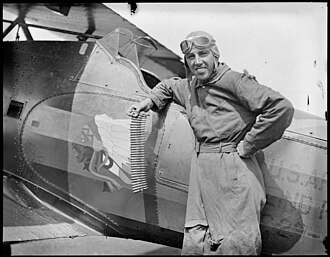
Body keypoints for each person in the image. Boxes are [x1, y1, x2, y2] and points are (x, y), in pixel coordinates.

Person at [127, 30, 294, 255]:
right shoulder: (191, 86)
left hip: (232, 169)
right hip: (202, 171)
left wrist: (249, 145)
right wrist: (150, 101)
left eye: (203, 54)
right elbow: (168, 86)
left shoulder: (234, 81)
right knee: (197, 240)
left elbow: (281, 107)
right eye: (191, 57)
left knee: (236, 244)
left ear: (215, 55)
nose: (197, 62)